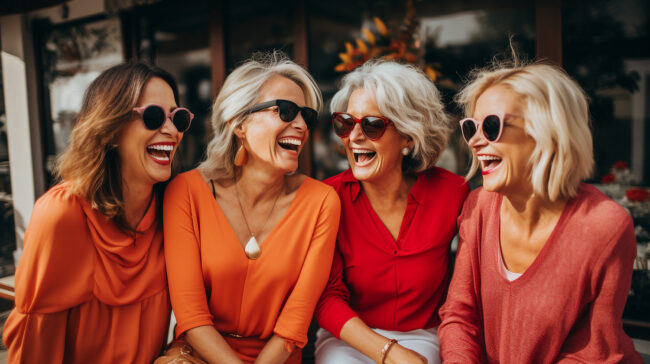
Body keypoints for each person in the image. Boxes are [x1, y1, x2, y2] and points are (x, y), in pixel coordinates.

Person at [438, 61, 643, 363]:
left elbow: (591, 354)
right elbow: (459, 315)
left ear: (547, 131)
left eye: (491, 126)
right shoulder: (478, 206)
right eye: (471, 127)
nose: (475, 141)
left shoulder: (604, 226)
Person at [3, 62, 192, 363]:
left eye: (178, 118)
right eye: (154, 117)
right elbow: (35, 349)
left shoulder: (174, 208)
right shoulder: (61, 215)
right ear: (109, 131)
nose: (171, 130)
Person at [161, 52, 340, 364]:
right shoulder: (186, 192)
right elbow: (191, 317)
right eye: (285, 111)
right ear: (239, 124)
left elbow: (294, 323)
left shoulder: (321, 202)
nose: (300, 125)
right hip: (199, 356)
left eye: (306, 117)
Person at [314, 60, 469, 364]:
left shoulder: (453, 194)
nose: (354, 137)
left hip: (423, 335)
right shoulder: (326, 198)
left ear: (408, 137)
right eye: (346, 123)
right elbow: (326, 298)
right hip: (348, 339)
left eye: (372, 125)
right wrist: (389, 353)